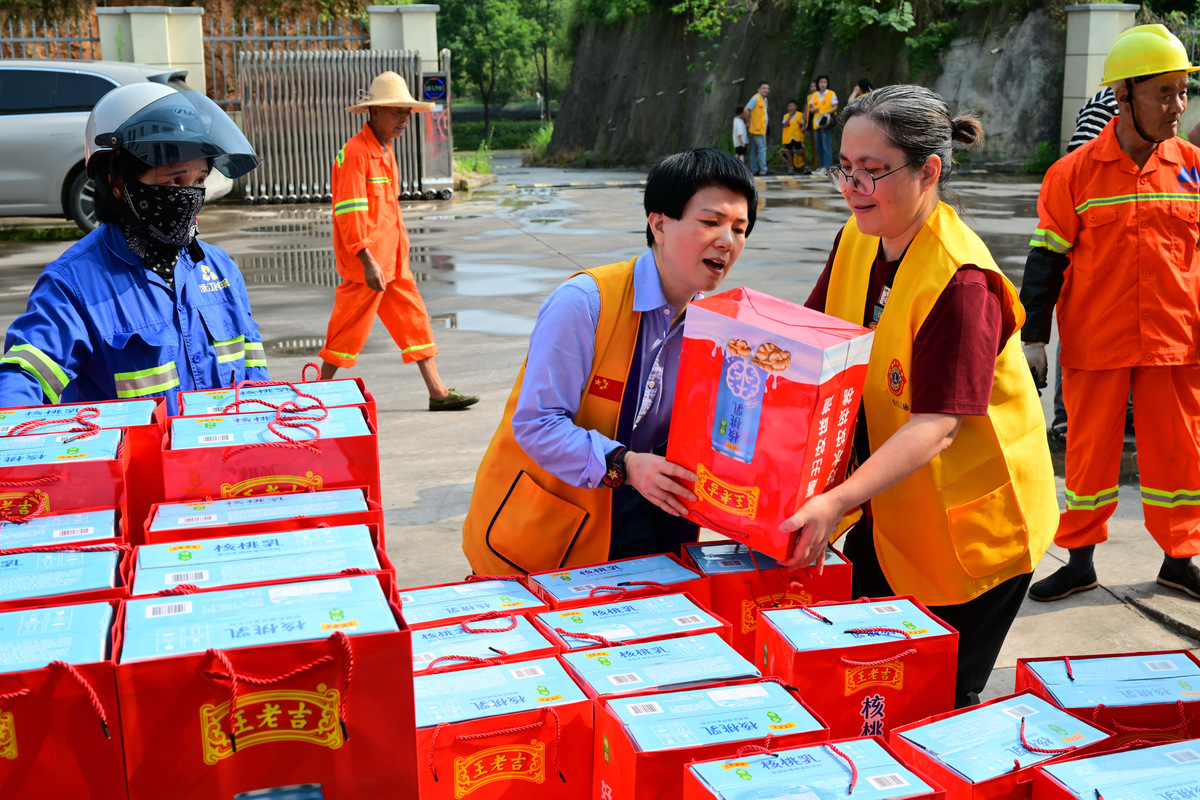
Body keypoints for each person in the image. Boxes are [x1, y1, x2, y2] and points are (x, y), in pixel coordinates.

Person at [782, 85, 1057, 707]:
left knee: (935, 701)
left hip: (971, 534)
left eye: (871, 172)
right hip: (890, 512)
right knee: (867, 683)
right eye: (844, 169)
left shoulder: (960, 282)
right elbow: (809, 342)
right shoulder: (859, 236)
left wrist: (833, 501)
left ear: (928, 171)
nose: (853, 188)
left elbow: (936, 425)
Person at [462, 149, 757, 574]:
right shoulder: (585, 303)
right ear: (659, 224)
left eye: (739, 229)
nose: (727, 241)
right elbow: (537, 423)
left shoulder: (716, 327)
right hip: (549, 522)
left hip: (640, 510)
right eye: (710, 222)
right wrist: (626, 465)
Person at [1021, 25, 1200, 602]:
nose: (1178, 107)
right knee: (1088, 457)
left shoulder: (1193, 168)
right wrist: (1033, 338)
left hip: (1176, 340)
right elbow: (1045, 259)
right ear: (1123, 96)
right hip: (1097, 340)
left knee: (1180, 454)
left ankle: (1179, 559)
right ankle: (1079, 562)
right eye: (1164, 93)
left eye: (1182, 92)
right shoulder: (1073, 174)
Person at [0, 83, 267, 414]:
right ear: (118, 185)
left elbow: (257, 382)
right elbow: (22, 379)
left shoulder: (220, 269)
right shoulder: (73, 284)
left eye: (199, 181)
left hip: (218, 447)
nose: (190, 196)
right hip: (132, 450)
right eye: (174, 181)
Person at [319, 71, 478, 411]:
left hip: (393, 260)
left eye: (407, 112)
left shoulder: (385, 149)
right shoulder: (355, 153)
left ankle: (438, 391)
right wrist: (366, 260)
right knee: (348, 328)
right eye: (397, 112)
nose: (404, 119)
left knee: (415, 321)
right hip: (368, 264)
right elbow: (349, 213)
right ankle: (317, 393)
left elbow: (387, 211)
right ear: (375, 112)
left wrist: (398, 255)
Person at [809, 75, 839, 172]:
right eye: (821, 82)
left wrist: (827, 112)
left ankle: (827, 167)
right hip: (817, 123)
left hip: (826, 122)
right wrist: (814, 110)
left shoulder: (831, 93)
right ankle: (821, 166)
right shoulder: (814, 95)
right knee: (818, 146)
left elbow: (835, 106)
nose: (823, 84)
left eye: (825, 82)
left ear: (827, 84)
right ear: (818, 83)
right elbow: (811, 108)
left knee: (826, 146)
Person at [745, 81, 770, 176]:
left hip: (762, 128)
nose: (766, 90)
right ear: (759, 89)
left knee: (755, 149)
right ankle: (763, 170)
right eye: (764, 88)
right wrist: (749, 121)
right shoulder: (755, 98)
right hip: (757, 129)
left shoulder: (765, 99)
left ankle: (754, 169)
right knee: (762, 148)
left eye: (767, 88)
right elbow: (746, 110)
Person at [781, 100, 809, 175]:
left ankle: (807, 167)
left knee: (801, 151)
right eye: (789, 106)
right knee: (789, 152)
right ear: (788, 108)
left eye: (792, 106)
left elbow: (803, 124)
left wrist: (801, 124)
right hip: (789, 138)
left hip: (797, 137)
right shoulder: (786, 116)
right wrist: (790, 117)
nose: (791, 108)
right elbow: (785, 125)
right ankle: (791, 168)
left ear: (796, 107)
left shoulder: (800, 115)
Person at [803, 79, 819, 167]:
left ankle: (820, 165)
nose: (813, 88)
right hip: (811, 122)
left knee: (820, 146)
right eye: (811, 86)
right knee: (813, 145)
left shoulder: (820, 96)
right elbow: (806, 110)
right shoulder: (809, 97)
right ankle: (814, 165)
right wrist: (804, 123)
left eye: (815, 86)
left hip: (819, 122)